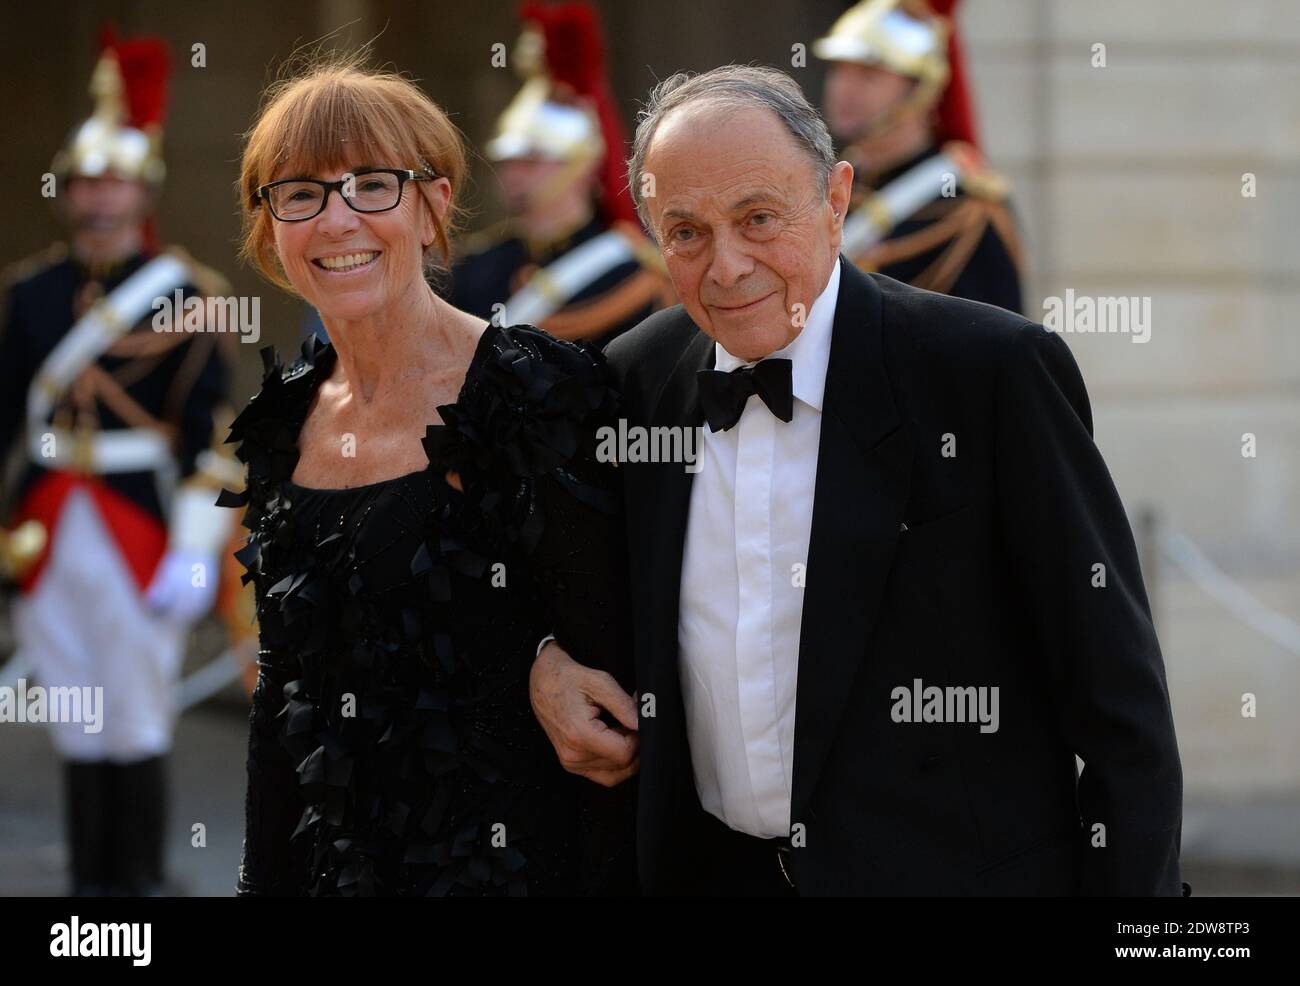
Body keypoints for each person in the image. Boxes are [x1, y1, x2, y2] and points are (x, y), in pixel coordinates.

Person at [529, 64, 1187, 896]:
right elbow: (554, 580)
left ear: (836, 198)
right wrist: (543, 660)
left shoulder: (990, 373)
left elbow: (1122, 709)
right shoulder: (632, 379)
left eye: (758, 218)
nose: (726, 266)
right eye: (686, 232)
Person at [226, 53, 635, 897]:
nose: (337, 220)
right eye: (300, 193)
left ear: (433, 204)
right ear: (270, 228)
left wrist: (542, 655)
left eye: (372, 183)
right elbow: (280, 710)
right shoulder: (280, 419)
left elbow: (619, 666)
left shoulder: (535, 391)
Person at [0, 29, 235, 896]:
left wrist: (194, 543)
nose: (100, 199)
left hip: (141, 520)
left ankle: (133, 883)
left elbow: (211, 432)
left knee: (134, 708)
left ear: (144, 191)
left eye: (116, 183)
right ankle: (88, 884)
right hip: (50, 519)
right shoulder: (30, 291)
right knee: (71, 703)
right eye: (88, 182)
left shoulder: (188, 296)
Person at [448, 1, 674, 347]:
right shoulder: (475, 267)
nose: (514, 173)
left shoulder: (630, 272)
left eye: (533, 160)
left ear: (582, 168)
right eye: (509, 160)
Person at [814, 0, 1023, 312]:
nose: (844, 88)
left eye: (868, 74)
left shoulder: (965, 207)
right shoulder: (824, 187)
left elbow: (997, 341)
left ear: (920, 90)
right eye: (840, 70)